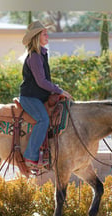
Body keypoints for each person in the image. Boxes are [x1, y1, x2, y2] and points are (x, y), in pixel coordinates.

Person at [20, 21, 72, 168]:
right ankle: (30, 156)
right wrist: (60, 90)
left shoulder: (41, 54)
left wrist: (57, 91)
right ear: (37, 37)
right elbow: (41, 81)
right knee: (43, 120)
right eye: (44, 34)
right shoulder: (35, 56)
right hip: (30, 98)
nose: (47, 36)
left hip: (38, 97)